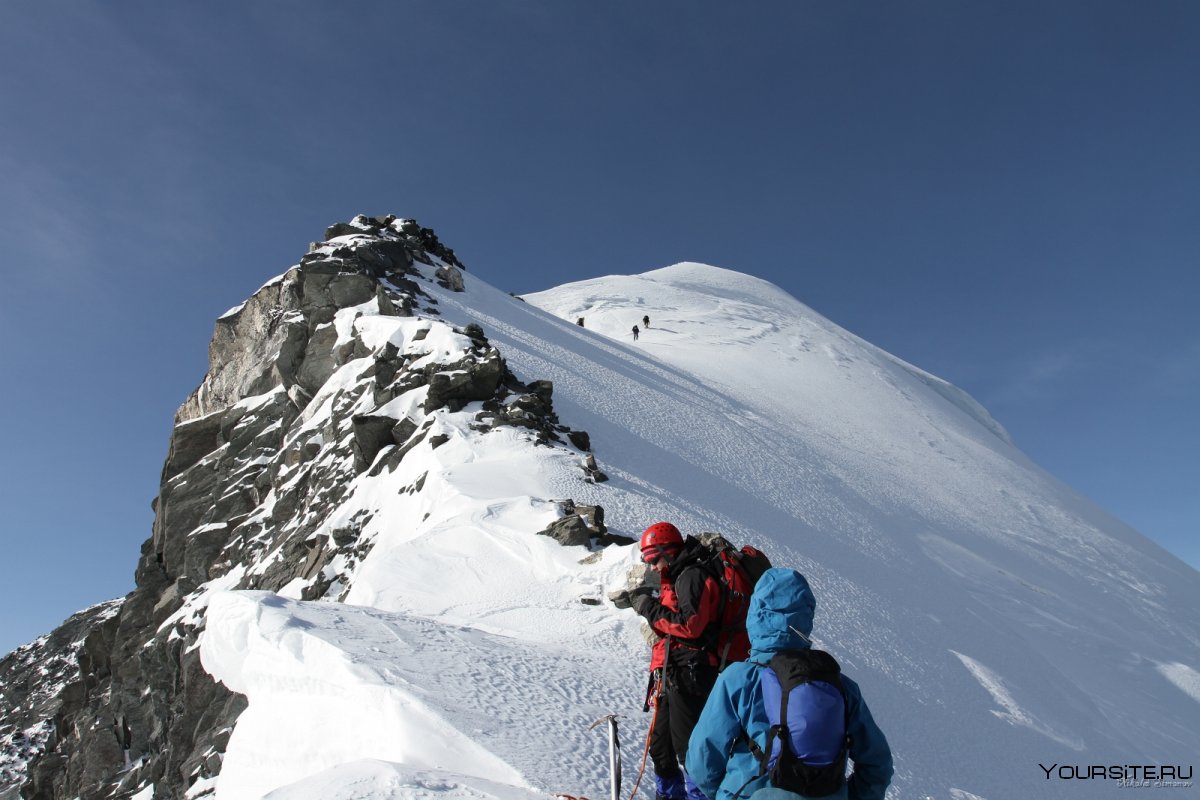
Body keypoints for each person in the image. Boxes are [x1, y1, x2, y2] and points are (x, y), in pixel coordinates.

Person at [686, 568, 893, 800]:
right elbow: (878, 764)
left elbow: (702, 757)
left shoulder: (740, 678)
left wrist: (722, 793)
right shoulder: (840, 685)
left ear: (756, 615)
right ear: (806, 618)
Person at [623, 523, 727, 800]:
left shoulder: (692, 575)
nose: (653, 567)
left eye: (653, 559)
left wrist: (649, 607)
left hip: (692, 670)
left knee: (688, 749)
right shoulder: (679, 575)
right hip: (675, 669)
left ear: (667, 551)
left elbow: (690, 626)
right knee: (661, 748)